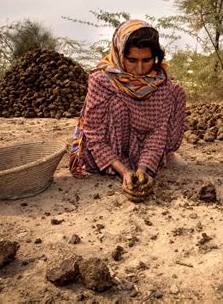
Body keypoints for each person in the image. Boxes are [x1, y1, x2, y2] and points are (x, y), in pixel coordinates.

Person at [69, 19, 186, 200]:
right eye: (131, 60)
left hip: (144, 149)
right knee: (117, 105)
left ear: (156, 58)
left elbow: (158, 132)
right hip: (110, 148)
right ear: (119, 54)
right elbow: (94, 134)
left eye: (146, 60)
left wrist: (142, 168)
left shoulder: (162, 86)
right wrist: (124, 171)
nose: (139, 69)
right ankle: (119, 165)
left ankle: (147, 162)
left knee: (177, 92)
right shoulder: (102, 81)